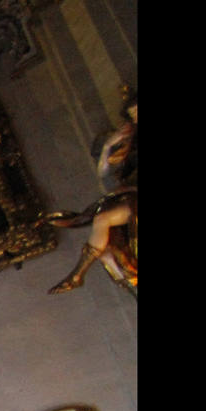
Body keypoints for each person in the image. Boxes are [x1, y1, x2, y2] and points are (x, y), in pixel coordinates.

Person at [47, 92, 137, 293]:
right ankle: (84, 275)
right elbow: (104, 174)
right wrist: (107, 146)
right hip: (131, 197)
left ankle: (77, 275)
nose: (136, 118)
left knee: (103, 220)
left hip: (134, 196)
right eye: (133, 115)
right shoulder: (129, 143)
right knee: (106, 246)